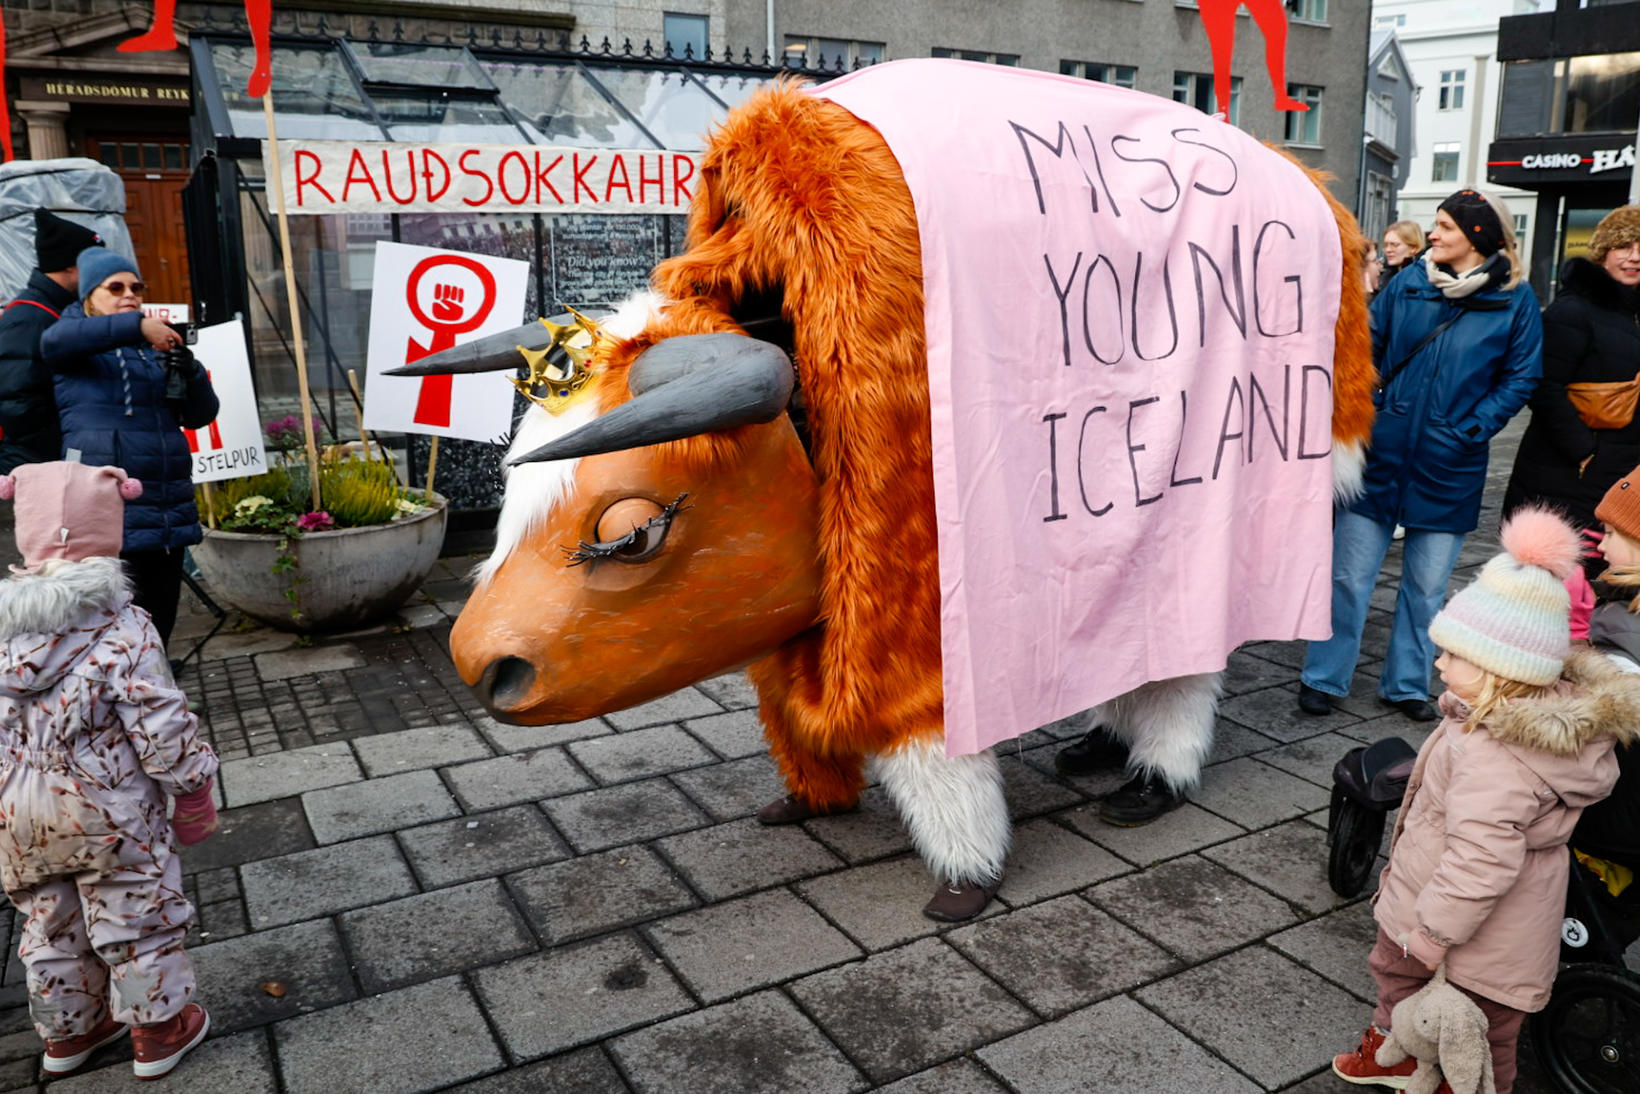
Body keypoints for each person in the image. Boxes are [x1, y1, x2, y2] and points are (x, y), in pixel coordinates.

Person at [1329, 507, 1636, 1094]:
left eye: (1452, 655)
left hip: (1455, 932)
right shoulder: (1488, 722)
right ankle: (1397, 1056)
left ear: (1502, 672)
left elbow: (1479, 863)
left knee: (1462, 1022)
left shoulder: (1496, 759)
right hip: (1492, 931)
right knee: (1455, 1011)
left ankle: (1449, 1080)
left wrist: (1432, 937)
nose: (1438, 662)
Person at [0, 461, 218, 1079]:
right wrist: (195, 791)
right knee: (135, 913)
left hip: (18, 811)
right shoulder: (125, 629)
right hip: (110, 809)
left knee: (50, 920)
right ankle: (158, 1030)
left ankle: (71, 1035)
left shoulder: (2, 634)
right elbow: (162, 729)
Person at [1298, 189, 1542, 722]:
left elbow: (1521, 375)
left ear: (1477, 238)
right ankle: (1324, 676)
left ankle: (1408, 684)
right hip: (1382, 455)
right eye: (1435, 225)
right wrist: (1376, 406)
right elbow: (1368, 347)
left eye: (1446, 227)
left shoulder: (1515, 299)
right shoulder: (1408, 282)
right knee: (1347, 576)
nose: (1434, 235)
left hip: (1450, 461)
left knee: (1427, 586)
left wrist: (1471, 427)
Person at [40, 247, 219, 647]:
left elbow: (201, 415)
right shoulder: (70, 338)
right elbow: (57, 342)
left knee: (159, 626)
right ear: (88, 297)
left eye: (136, 287)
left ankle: (151, 701)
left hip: (163, 510)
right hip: (103, 515)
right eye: (115, 287)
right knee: (106, 635)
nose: (130, 294)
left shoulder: (153, 351)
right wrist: (139, 325)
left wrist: (189, 370)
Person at [1501, 205, 1640, 557]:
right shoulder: (1573, 310)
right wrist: (1584, 451)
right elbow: (1544, 386)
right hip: (1565, 472)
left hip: (1619, 473)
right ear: (1603, 251)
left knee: (1602, 576)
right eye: (1624, 246)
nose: (1634, 257)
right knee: (1552, 575)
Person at [0, 211, 102, 473]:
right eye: (92, 259)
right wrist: (65, 451)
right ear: (70, 264)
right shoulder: (29, 317)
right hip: (31, 473)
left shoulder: (55, 311)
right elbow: (18, 406)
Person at [1380, 219, 1425, 287]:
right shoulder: (1385, 275)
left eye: (1395, 245)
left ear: (1413, 247)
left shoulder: (1422, 276)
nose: (1388, 250)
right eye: (1386, 245)